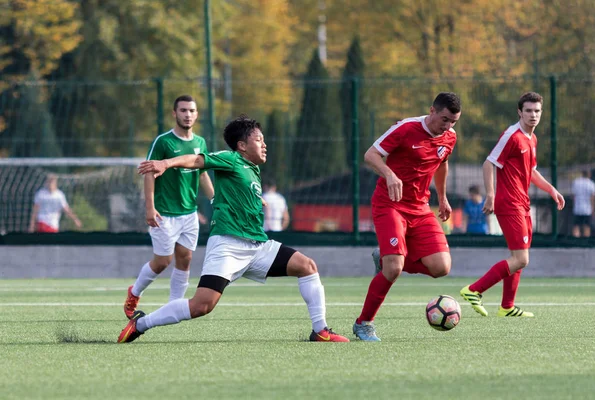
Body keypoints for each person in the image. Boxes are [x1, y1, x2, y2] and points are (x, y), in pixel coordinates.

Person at [118, 115, 348, 343]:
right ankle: (140, 324)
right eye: (258, 140)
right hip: (228, 246)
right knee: (201, 306)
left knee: (307, 266)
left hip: (257, 246)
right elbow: (198, 162)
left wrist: (254, 199)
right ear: (242, 146)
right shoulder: (231, 158)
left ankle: (320, 330)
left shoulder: (251, 168)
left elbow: (237, 190)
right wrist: (166, 163)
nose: (264, 144)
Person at [353, 92, 462, 342]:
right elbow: (371, 155)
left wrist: (443, 198)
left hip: (421, 207)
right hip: (389, 204)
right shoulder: (406, 128)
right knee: (393, 269)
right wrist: (389, 174)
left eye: (453, 122)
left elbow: (441, 162)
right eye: (444, 119)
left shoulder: (450, 137)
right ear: (432, 110)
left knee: (441, 268)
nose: (447, 126)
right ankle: (364, 324)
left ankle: (386, 256)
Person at [460, 92, 565, 318]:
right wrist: (490, 194)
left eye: (537, 111)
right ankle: (473, 290)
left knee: (519, 259)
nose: (533, 115)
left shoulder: (531, 138)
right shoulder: (512, 135)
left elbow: (532, 171)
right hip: (509, 204)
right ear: (519, 112)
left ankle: (507, 306)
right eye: (528, 110)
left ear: (542, 113)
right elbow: (488, 164)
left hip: (522, 203)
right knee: (521, 258)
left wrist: (551, 190)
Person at [122, 95, 215, 319]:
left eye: (192, 111)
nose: (187, 114)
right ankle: (134, 293)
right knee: (163, 261)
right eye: (183, 110)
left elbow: (202, 174)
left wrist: (215, 200)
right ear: (174, 114)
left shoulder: (200, 142)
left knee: (185, 259)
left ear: (197, 114)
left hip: (189, 214)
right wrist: (149, 208)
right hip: (164, 213)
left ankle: (174, 307)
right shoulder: (163, 142)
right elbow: (149, 173)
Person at [571, 170, 595, 238]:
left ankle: (575, 242)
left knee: (576, 226)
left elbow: (573, 196)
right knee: (587, 226)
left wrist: (574, 206)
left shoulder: (576, 182)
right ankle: (585, 242)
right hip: (587, 210)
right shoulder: (591, 184)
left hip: (577, 209)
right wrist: (593, 210)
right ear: (589, 174)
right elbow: (592, 199)